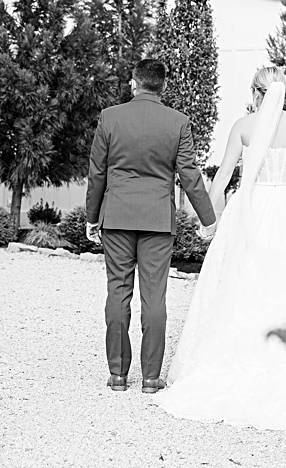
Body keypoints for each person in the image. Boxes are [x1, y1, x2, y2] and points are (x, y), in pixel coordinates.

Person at [152, 66, 286, 429]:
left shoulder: (243, 126)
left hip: (252, 207)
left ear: (256, 92)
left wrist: (209, 220)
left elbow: (223, 177)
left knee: (243, 280)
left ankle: (243, 349)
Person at [85, 57, 217, 394]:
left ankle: (117, 375)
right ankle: (150, 378)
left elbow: (97, 172)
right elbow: (189, 174)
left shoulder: (110, 117)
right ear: (164, 85)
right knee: (155, 296)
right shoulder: (178, 122)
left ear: (134, 82)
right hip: (158, 219)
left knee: (118, 291)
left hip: (116, 217)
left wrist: (91, 215)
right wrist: (208, 219)